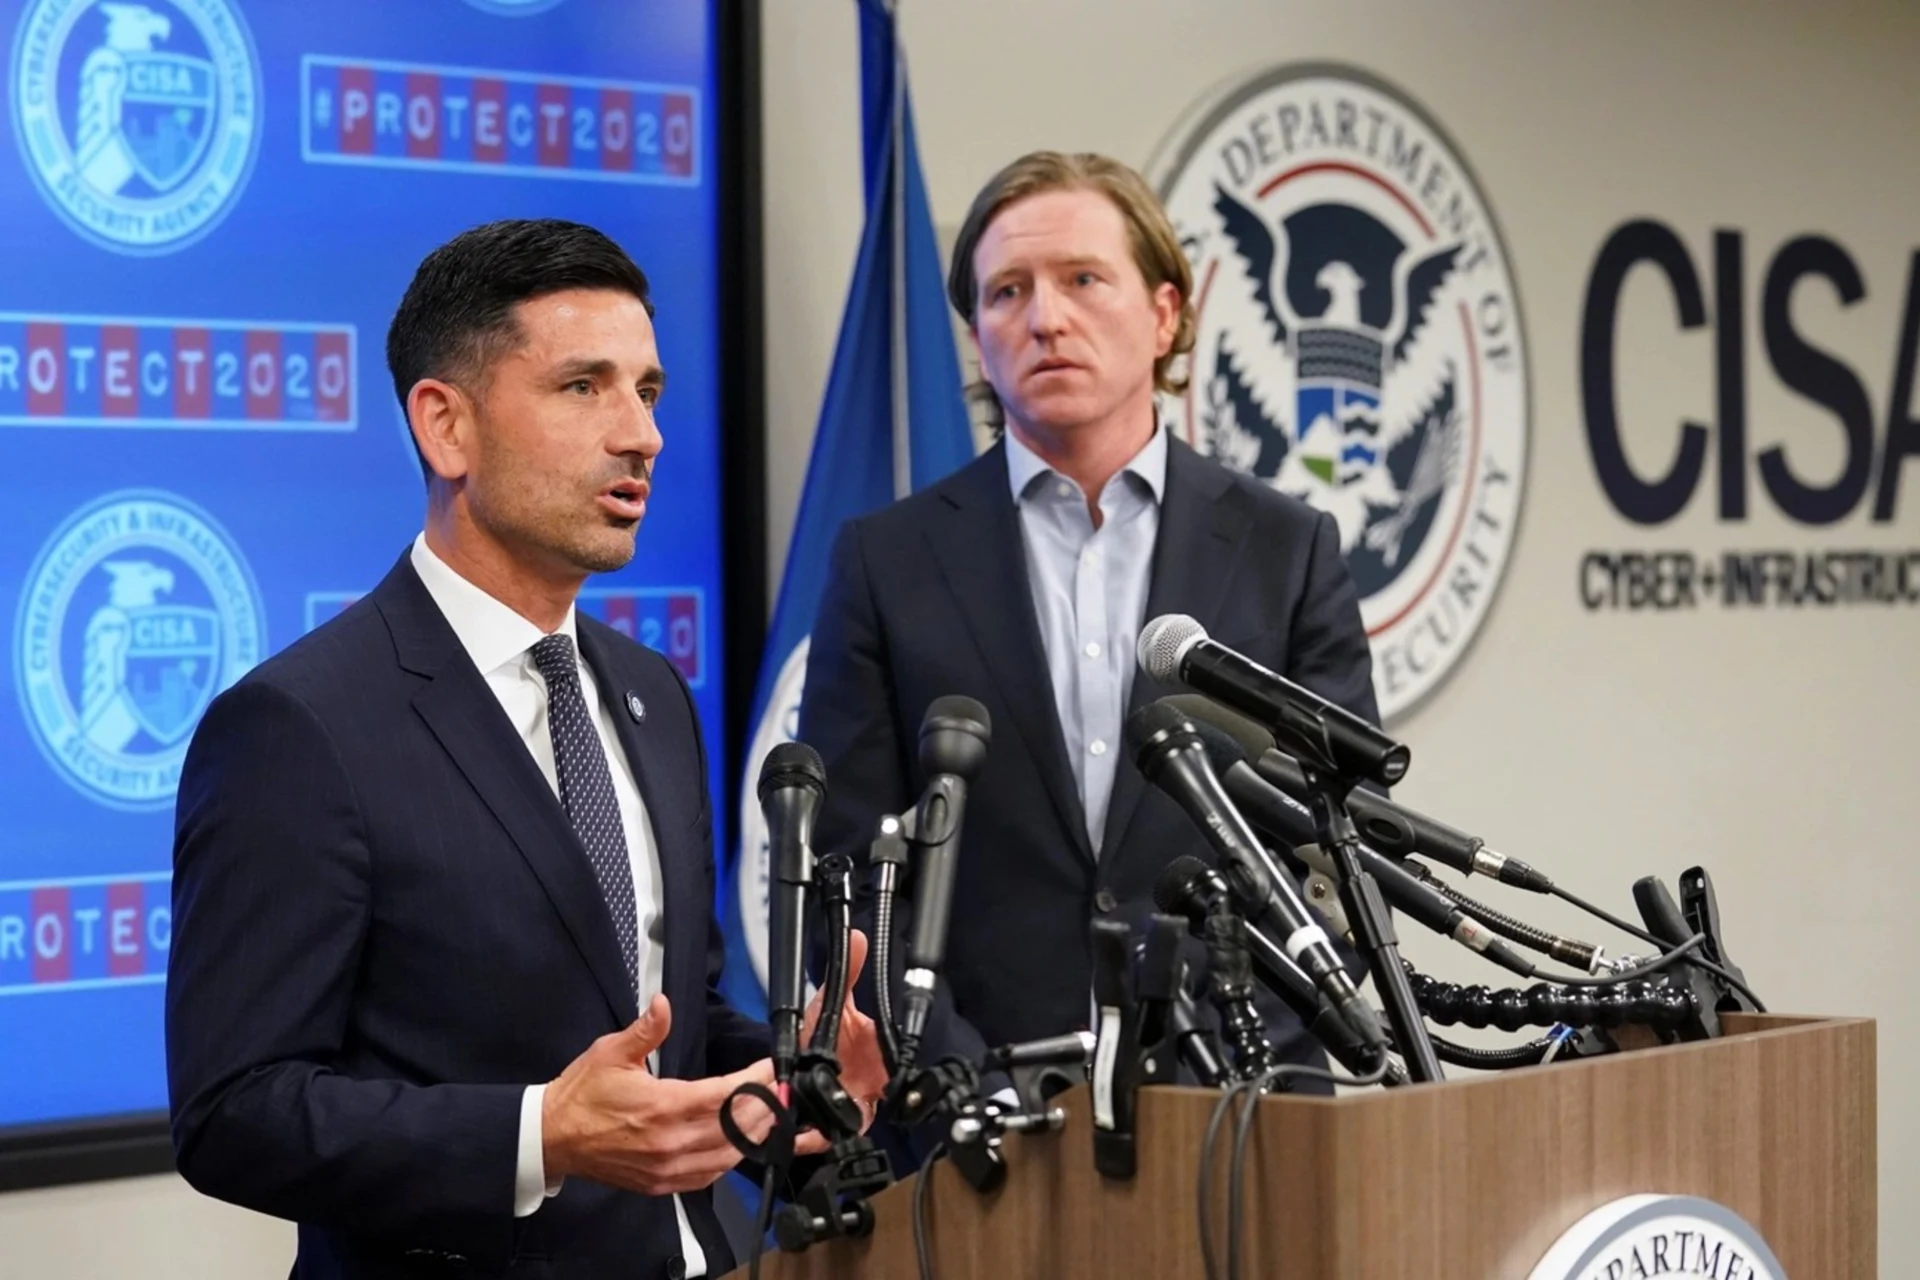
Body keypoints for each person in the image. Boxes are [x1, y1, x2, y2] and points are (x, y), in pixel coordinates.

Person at [167, 219, 884, 1279]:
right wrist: (538, 1133)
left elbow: (664, 1007)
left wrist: (793, 1074)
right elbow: (236, 1109)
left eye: (648, 389)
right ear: (445, 425)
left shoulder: (652, 694)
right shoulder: (300, 727)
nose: (641, 434)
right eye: (584, 386)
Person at [797, 153, 1378, 1117]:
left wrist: (1241, 1076)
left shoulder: (1287, 550)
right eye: (1007, 292)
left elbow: (1332, 856)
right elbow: (852, 879)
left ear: (1163, 314)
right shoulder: (885, 562)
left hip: (1247, 1114)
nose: (1044, 318)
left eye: (1081, 280)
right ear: (977, 338)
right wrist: (965, 1085)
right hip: (971, 1128)